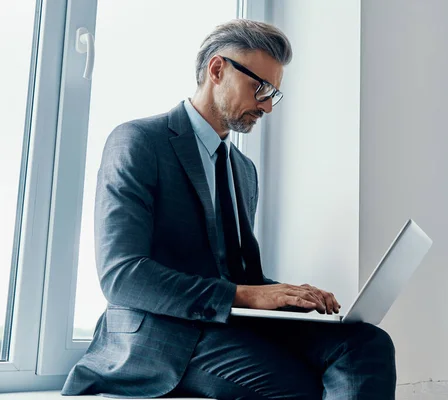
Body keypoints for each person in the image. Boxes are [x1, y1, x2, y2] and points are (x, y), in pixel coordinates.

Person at [61, 19, 396, 400]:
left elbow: (237, 276)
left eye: (273, 94)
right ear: (217, 70)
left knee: (365, 344)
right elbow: (123, 276)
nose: (268, 105)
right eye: (260, 88)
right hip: (163, 336)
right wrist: (251, 296)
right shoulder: (139, 142)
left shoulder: (243, 169)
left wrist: (289, 295)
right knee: (298, 386)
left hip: (227, 325)